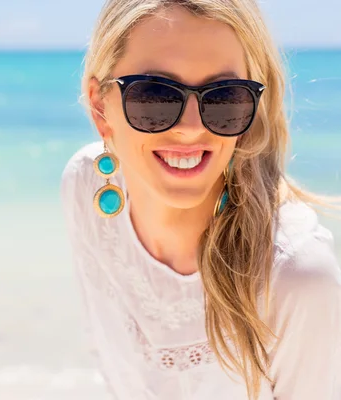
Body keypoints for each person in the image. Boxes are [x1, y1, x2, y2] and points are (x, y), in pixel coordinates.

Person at [60, 1, 341, 399]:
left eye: (224, 97)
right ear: (100, 106)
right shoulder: (84, 187)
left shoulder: (298, 276)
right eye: (155, 96)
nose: (191, 128)